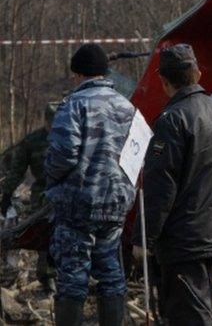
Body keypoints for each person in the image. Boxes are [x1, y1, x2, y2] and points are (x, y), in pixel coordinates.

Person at [137, 44, 212, 325]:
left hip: (184, 238)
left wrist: (143, 238)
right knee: (199, 307)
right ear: (198, 73)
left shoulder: (173, 120)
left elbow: (161, 185)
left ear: (165, 82)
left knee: (188, 315)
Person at [44, 43, 136, 325]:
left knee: (73, 277)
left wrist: (52, 184)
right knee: (111, 273)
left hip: (78, 205)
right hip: (116, 203)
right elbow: (137, 156)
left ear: (79, 75)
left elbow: (61, 156)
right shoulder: (128, 106)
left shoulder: (73, 105)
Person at [1, 102, 58, 289]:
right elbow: (17, 170)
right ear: (45, 121)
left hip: (67, 195)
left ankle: (65, 277)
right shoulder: (32, 141)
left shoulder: (72, 137)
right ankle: (47, 277)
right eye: (51, 123)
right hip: (42, 196)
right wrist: (7, 193)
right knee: (45, 237)